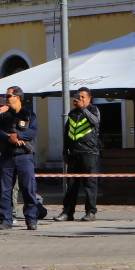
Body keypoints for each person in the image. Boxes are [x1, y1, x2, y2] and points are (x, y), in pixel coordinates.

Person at [0, 86, 39, 230]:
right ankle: (6, 219)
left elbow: (33, 131)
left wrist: (18, 136)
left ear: (17, 97)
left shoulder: (30, 115)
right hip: (7, 156)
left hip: (25, 156)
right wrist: (10, 138)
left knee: (28, 188)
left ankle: (31, 219)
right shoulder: (3, 116)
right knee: (5, 190)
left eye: (8, 96)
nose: (6, 99)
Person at [55, 87, 101, 222]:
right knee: (71, 185)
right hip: (74, 153)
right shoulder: (72, 114)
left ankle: (90, 212)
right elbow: (66, 134)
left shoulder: (94, 110)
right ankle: (67, 212)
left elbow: (96, 122)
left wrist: (83, 109)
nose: (79, 99)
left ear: (89, 99)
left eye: (83, 97)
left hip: (89, 153)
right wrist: (65, 152)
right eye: (78, 97)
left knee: (90, 184)